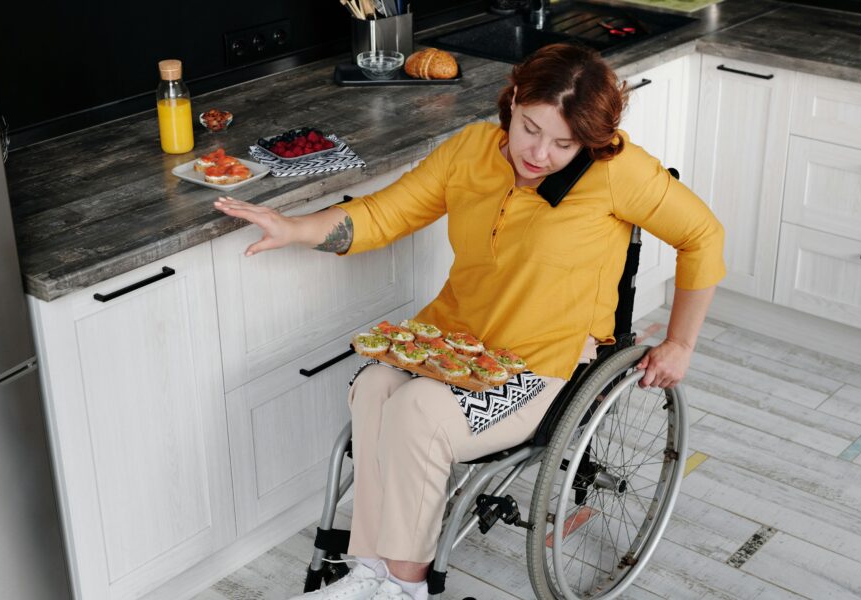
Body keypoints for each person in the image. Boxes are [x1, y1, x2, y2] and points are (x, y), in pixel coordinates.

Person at [214, 43, 725, 600]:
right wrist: (294, 229)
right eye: (531, 128)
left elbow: (702, 234)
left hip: (542, 361)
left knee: (417, 411)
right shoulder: (470, 152)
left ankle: (406, 587)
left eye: (564, 143)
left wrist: (680, 342)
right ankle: (369, 570)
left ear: (589, 142)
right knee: (374, 385)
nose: (540, 154)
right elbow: (387, 213)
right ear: (512, 102)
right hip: (454, 343)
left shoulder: (616, 173)